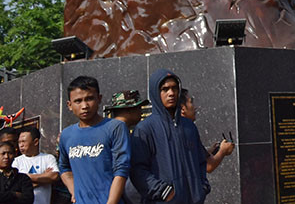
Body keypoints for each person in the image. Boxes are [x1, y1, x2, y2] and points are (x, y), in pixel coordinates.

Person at [130, 70, 208, 204]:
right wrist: (162, 191)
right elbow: (137, 170)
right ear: (156, 93)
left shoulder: (189, 126)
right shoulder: (145, 129)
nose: (171, 93)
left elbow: (201, 161)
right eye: (164, 89)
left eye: (174, 88)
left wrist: (202, 187)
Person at [57, 76, 130, 204]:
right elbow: (64, 168)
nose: (84, 106)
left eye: (89, 99)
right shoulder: (66, 135)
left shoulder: (115, 127)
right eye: (78, 101)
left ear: (99, 99)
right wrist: (74, 190)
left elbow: (121, 169)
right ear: (69, 105)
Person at [177, 91, 233, 174]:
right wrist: (223, 151)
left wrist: (209, 152)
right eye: (191, 102)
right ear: (182, 109)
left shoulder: (174, 129)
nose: (195, 107)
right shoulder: (187, 131)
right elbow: (208, 166)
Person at [13, 128, 57, 204]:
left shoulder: (48, 158)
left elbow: (54, 176)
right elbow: (15, 187)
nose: (21, 145)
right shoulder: (16, 161)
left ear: (35, 142)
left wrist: (23, 178)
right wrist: (44, 177)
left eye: (23, 141)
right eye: (19, 142)